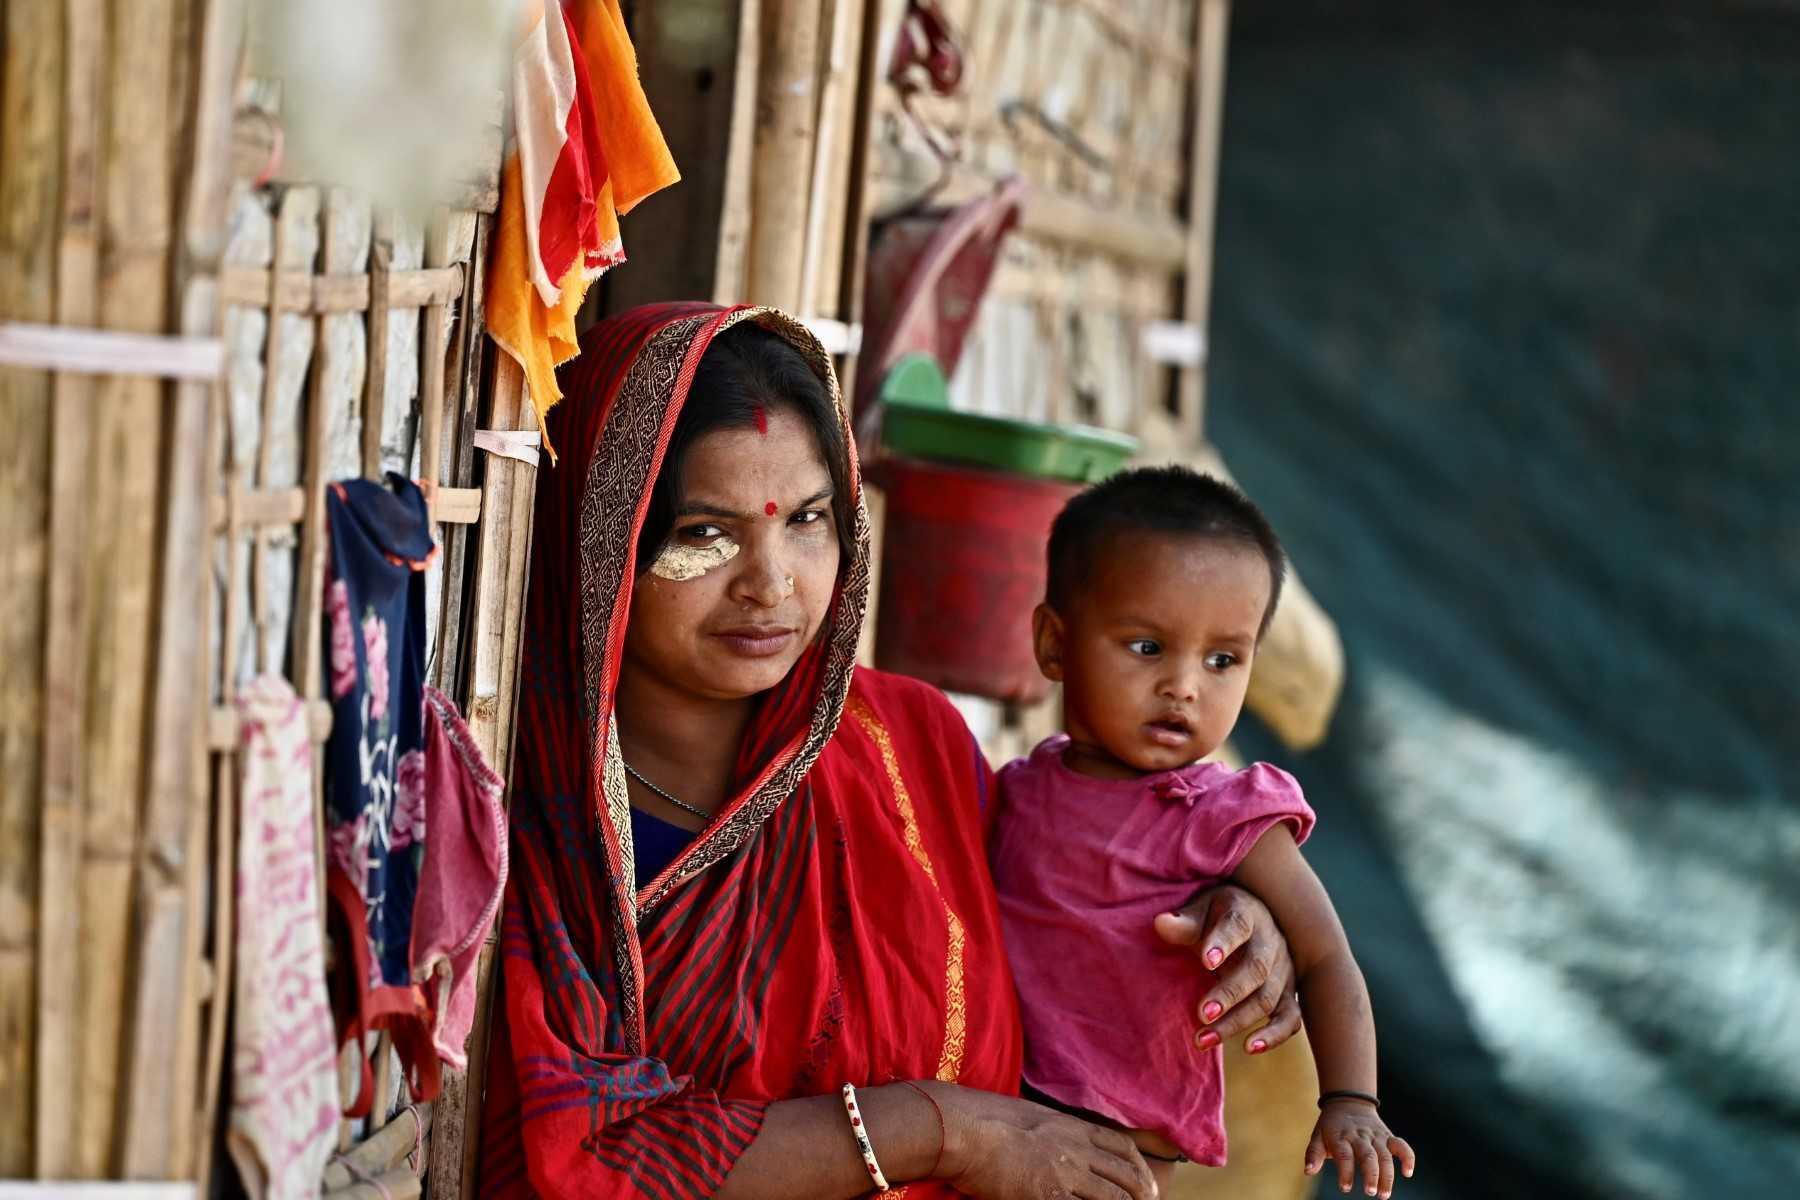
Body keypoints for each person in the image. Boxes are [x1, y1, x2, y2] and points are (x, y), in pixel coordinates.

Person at [478, 303, 1306, 1200]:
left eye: (807, 520)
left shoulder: (909, 746)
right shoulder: (535, 822)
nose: (772, 584)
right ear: (600, 539)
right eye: (703, 534)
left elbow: (1069, 891)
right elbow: (597, 1148)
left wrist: (1232, 905)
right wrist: (940, 1130)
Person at [988, 467, 1419, 1199]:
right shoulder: (1018, 789)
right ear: (1055, 645)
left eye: (1223, 659)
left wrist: (1351, 1101)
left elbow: (1325, 957)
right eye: (1148, 647)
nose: (1185, 686)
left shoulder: (1221, 813)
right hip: (993, 1110)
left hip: (1117, 1150)